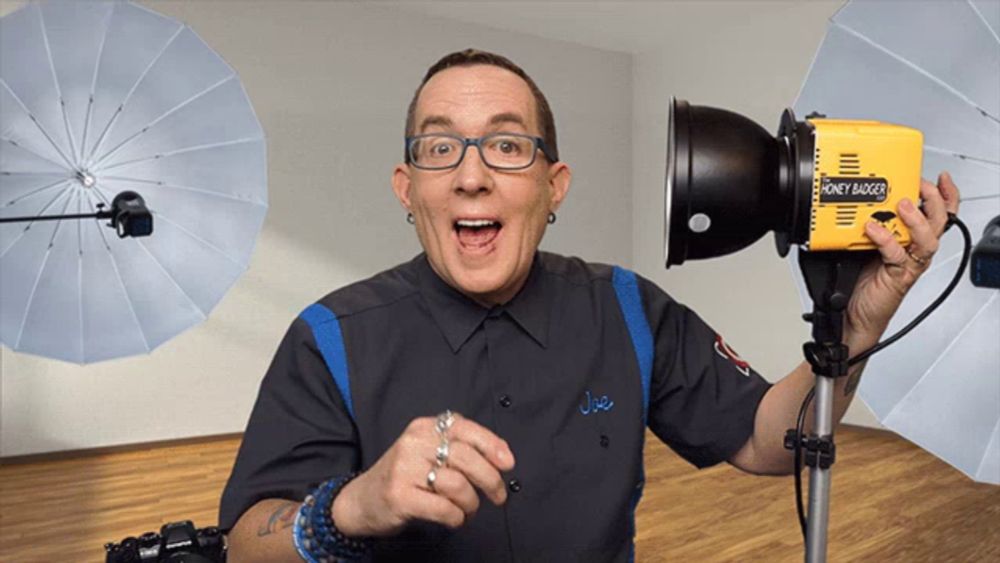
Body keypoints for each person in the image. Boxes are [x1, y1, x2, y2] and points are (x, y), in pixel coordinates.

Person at [219, 49, 961, 562]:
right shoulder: (328, 337)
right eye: (440, 148)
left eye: (507, 146)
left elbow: (769, 441)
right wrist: (346, 508)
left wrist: (863, 320)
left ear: (556, 186)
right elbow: (246, 542)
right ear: (407, 188)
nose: (472, 176)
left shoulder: (627, 306)